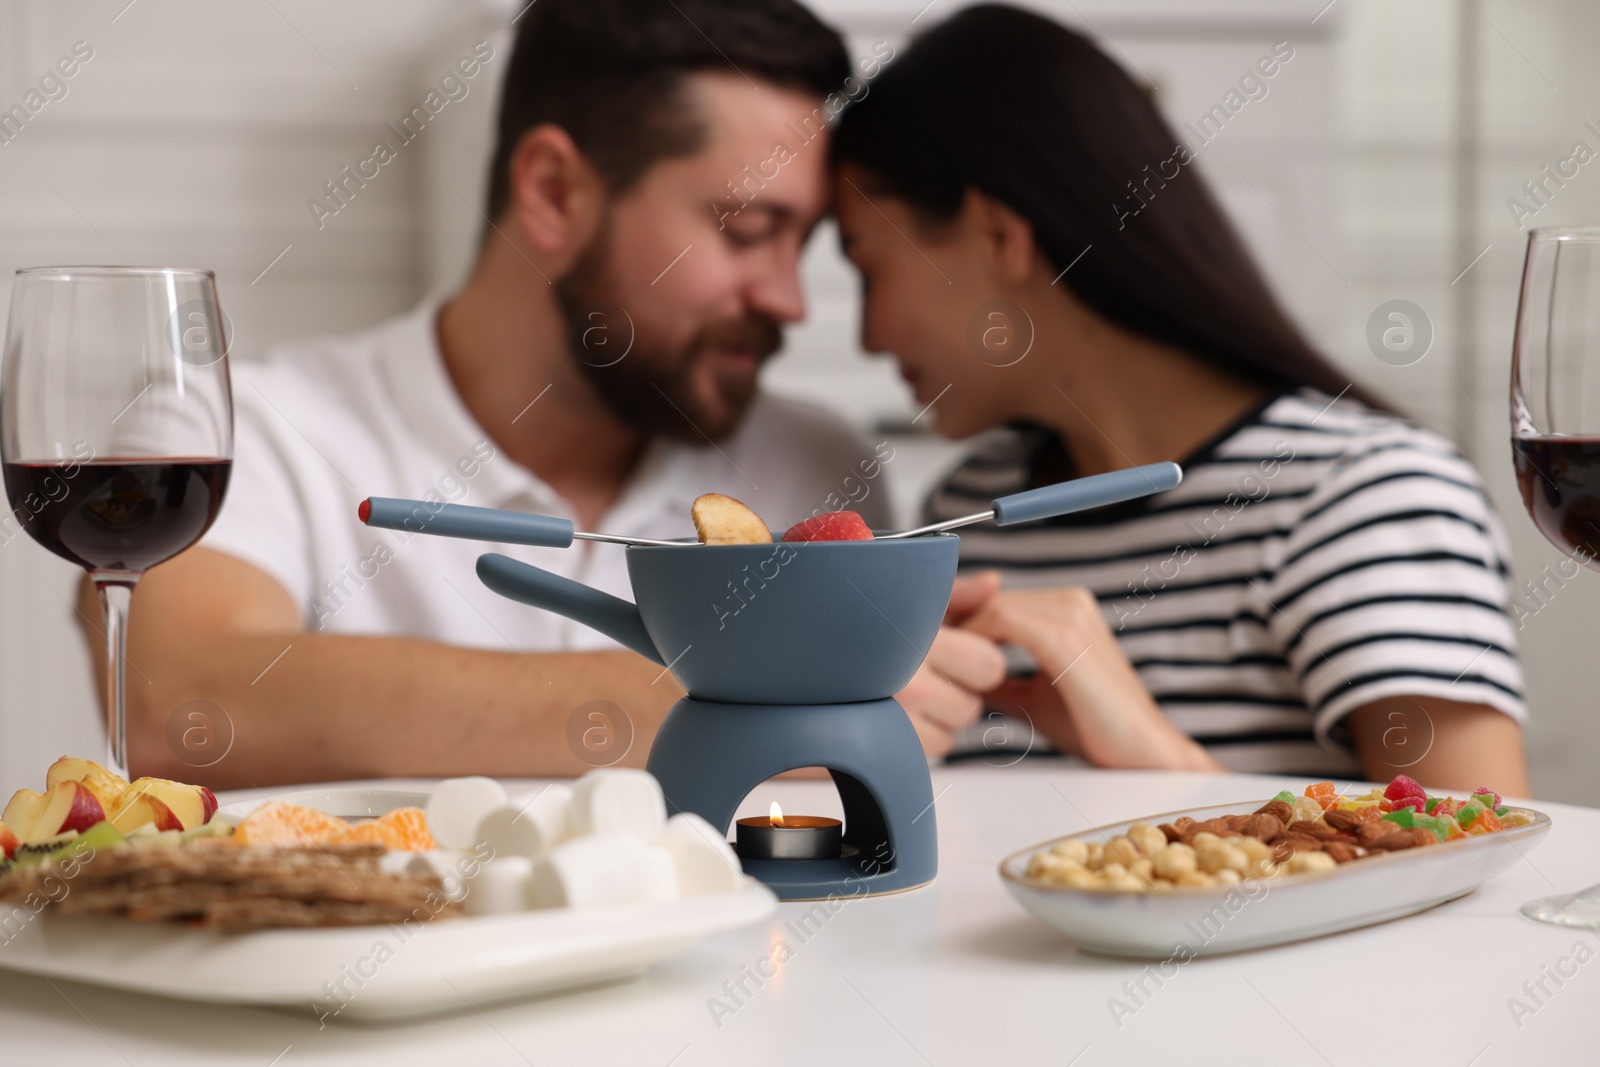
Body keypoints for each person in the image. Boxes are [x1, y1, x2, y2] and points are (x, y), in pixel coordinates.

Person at [106, 0, 1003, 786]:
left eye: (799, 244)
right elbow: (183, 704)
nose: (790, 301)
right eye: (745, 229)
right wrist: (740, 697)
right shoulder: (246, 433)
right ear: (553, 192)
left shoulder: (820, 468)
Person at [834, 4, 1530, 792]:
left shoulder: (1370, 494)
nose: (865, 335)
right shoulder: (969, 511)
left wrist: (1163, 766)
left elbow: (1473, 863)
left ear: (997, 235)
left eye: (866, 267)